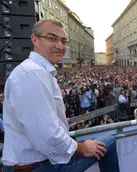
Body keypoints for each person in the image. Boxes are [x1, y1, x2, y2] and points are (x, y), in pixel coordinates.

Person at [2, 19, 120, 172]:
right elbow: (48, 137)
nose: (60, 46)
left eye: (64, 41)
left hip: (36, 161)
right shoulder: (32, 73)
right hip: (36, 166)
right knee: (108, 142)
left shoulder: (37, 71)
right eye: (52, 38)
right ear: (35, 40)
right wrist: (82, 148)